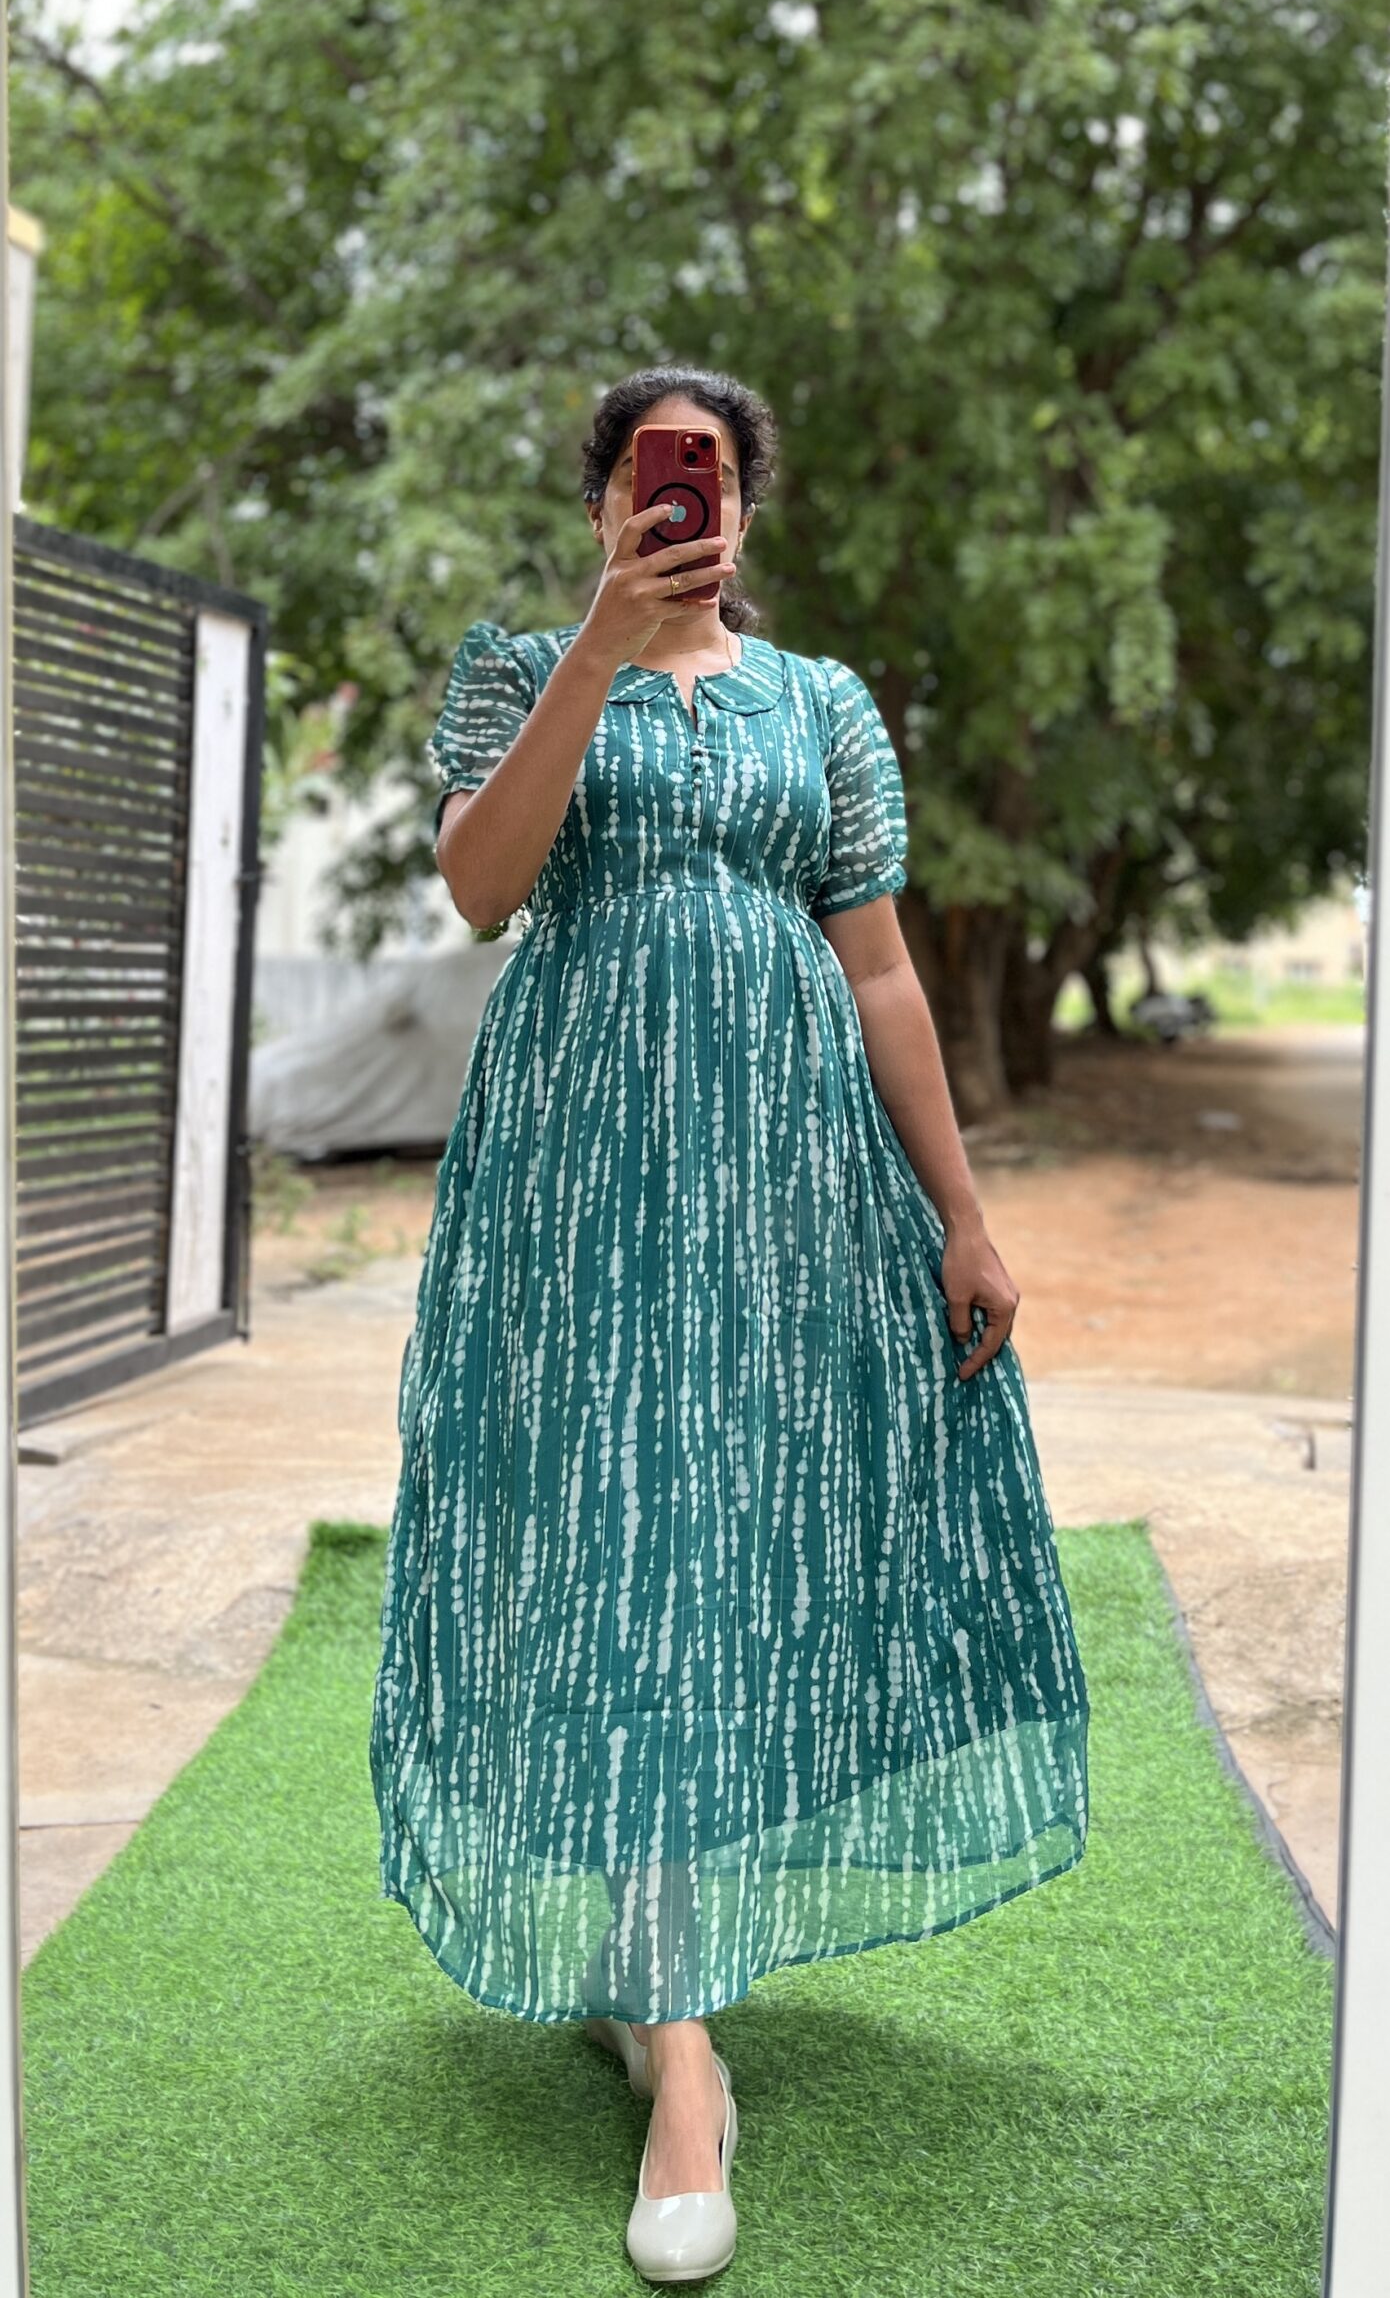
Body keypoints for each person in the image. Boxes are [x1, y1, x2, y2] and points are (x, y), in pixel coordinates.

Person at [369, 364, 1090, 2285]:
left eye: (702, 475)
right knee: (615, 1541)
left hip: (790, 1191)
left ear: (742, 507)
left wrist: (961, 1211)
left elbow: (880, 972)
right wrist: (592, 656)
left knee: (728, 1543)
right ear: (606, 503)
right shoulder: (519, 673)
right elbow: (482, 887)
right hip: (580, 1192)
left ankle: (662, 1982)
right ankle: (679, 2052)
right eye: (643, 472)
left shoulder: (821, 705)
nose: (673, 499)